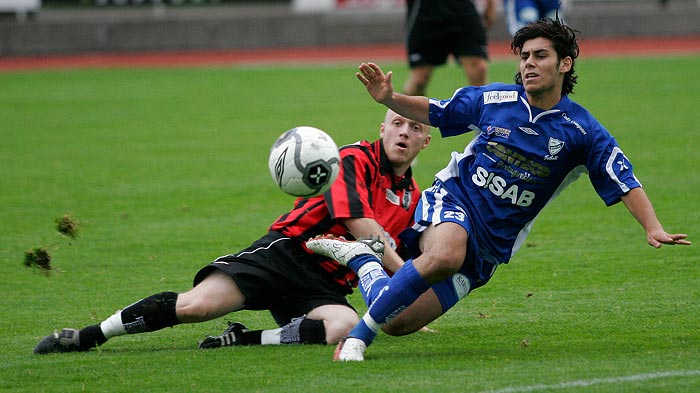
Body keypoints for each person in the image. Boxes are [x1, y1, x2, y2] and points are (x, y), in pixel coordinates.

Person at [306, 17, 691, 362]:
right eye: (524, 56)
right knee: (445, 255)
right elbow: (437, 110)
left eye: (540, 55)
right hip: (455, 199)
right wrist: (390, 99)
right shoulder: (495, 99)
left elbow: (622, 178)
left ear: (565, 64)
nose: (528, 64)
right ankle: (357, 338)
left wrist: (652, 226)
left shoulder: (583, 132)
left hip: (492, 245)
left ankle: (362, 259)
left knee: (399, 322)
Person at [33, 109, 432, 354]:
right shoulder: (351, 159)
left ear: (425, 141)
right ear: (381, 129)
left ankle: (243, 338)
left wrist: (407, 300)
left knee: (343, 327)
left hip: (323, 286)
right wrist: (403, 293)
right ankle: (87, 337)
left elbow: (405, 253)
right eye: (396, 122)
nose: (402, 132)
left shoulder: (413, 196)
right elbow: (363, 227)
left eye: (413, 127)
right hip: (286, 254)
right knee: (195, 307)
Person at [402, 0, 497, 96]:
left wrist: (491, 3)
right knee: (419, 79)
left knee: (478, 69)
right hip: (425, 12)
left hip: (463, 12)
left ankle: (481, 110)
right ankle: (407, 110)